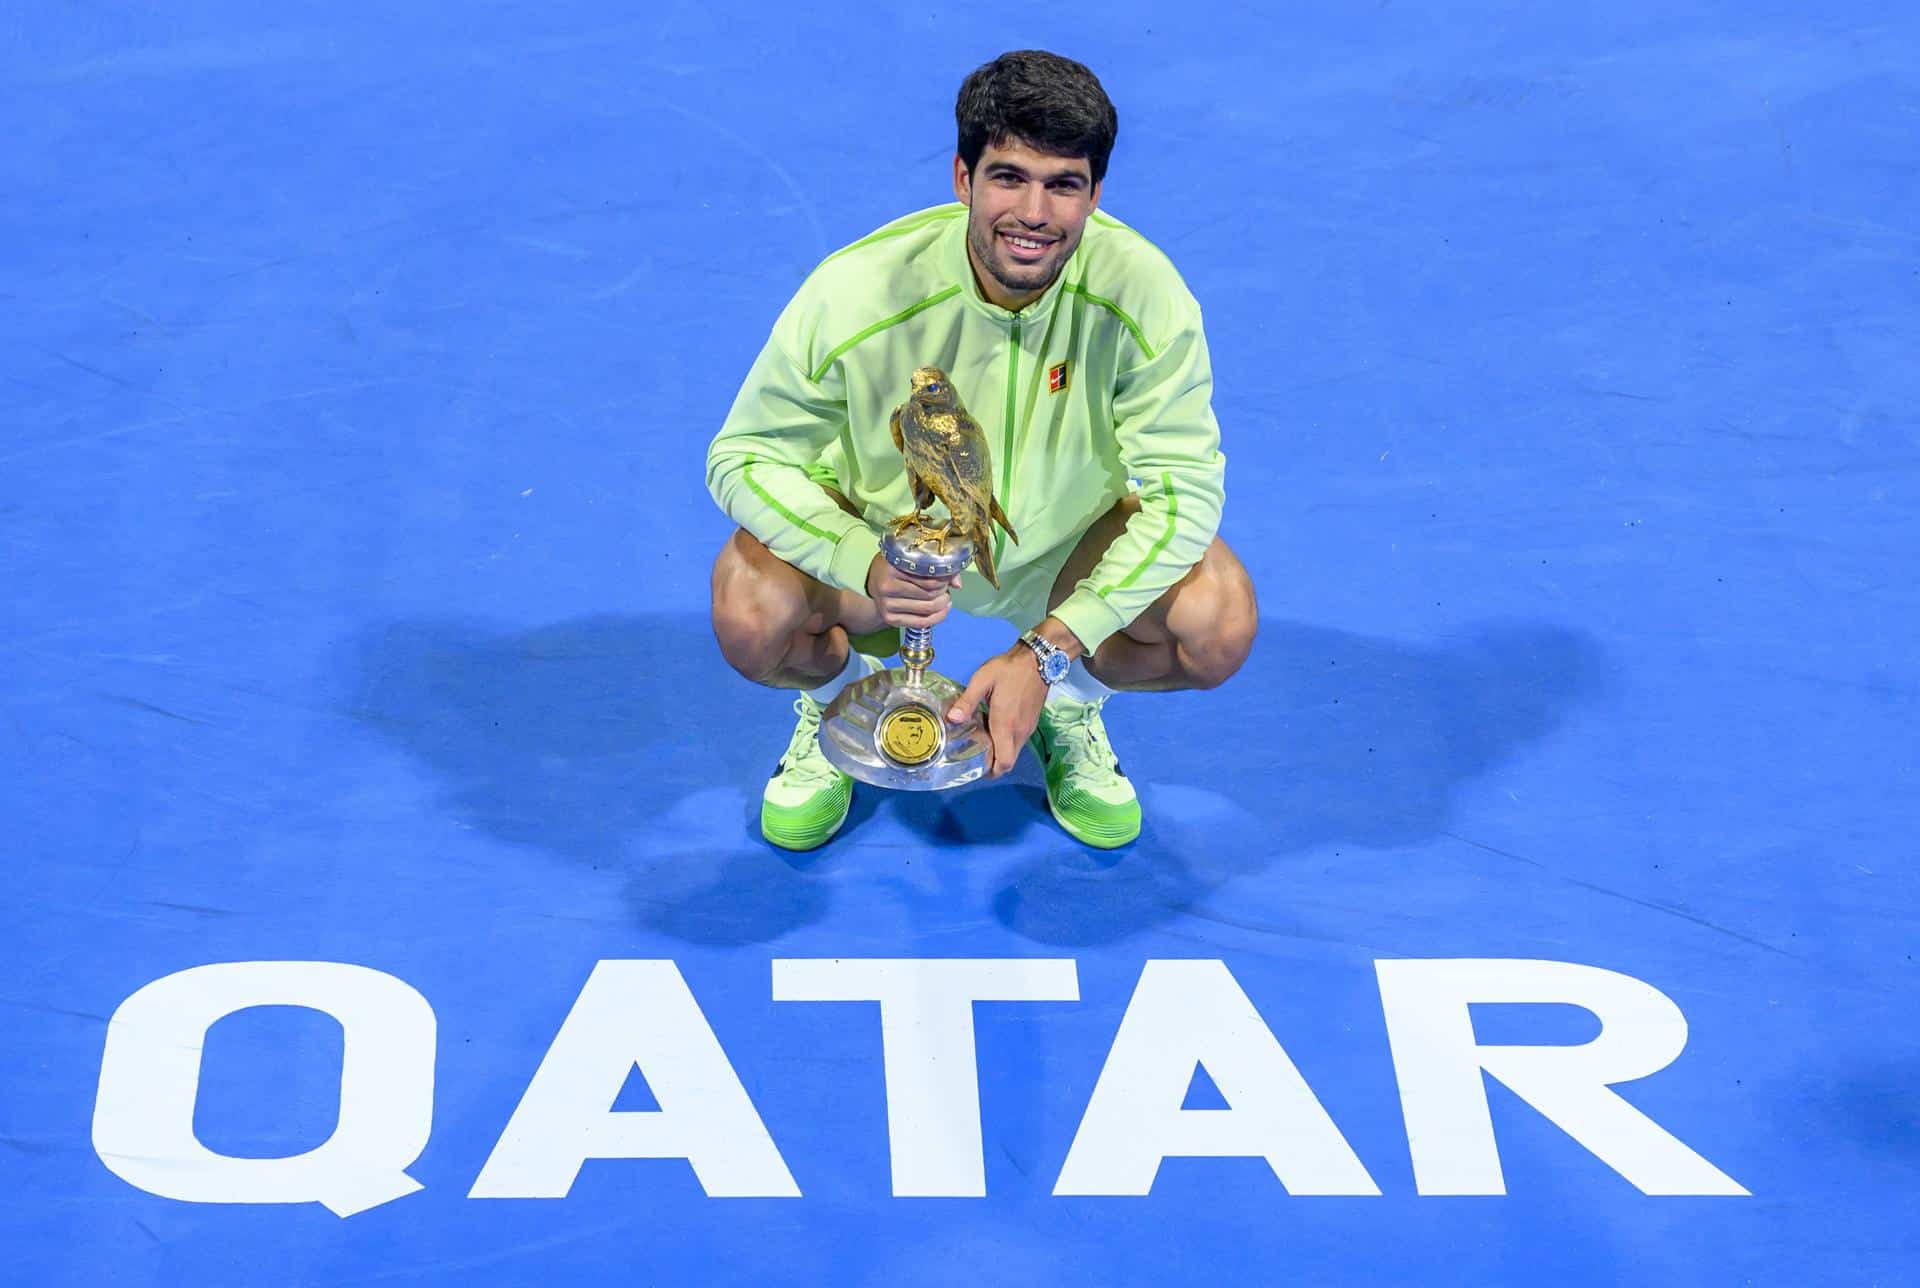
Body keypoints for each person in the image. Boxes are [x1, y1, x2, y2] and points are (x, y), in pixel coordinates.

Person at [707, 49, 1257, 851]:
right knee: (751, 615)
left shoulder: (1145, 293)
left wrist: (1049, 652)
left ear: (1095, 195)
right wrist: (860, 557)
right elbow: (745, 454)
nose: (1033, 212)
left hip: (1060, 551)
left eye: (1063, 185)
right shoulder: (856, 291)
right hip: (885, 554)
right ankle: (856, 695)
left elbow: (1186, 494)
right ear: (963, 178)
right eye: (1008, 177)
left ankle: (1063, 708)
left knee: (1216, 627)